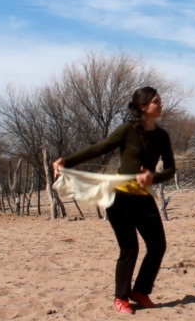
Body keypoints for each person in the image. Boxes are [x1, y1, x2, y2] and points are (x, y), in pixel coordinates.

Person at [53, 86, 175, 315]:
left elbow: (170, 169)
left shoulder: (162, 136)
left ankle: (140, 292)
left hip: (143, 198)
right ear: (142, 106)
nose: (160, 104)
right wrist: (66, 162)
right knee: (129, 248)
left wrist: (153, 177)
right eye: (156, 101)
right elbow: (99, 148)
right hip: (120, 198)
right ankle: (121, 298)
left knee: (158, 246)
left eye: (160, 100)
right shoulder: (127, 130)